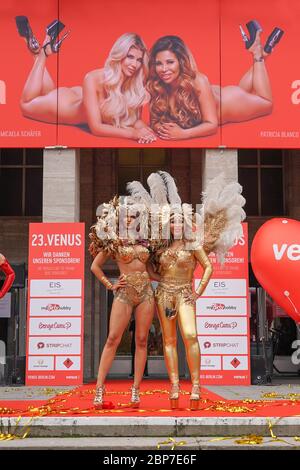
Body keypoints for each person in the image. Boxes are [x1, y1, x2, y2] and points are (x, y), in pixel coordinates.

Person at [127, 171, 246, 410]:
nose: (176, 224)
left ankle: (196, 386)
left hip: (184, 293)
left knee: (190, 336)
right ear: (168, 224)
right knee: (168, 342)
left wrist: (199, 291)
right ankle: (174, 386)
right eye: (172, 221)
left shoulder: (194, 243)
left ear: (185, 222)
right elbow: (149, 268)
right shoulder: (160, 246)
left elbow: (208, 266)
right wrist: (158, 278)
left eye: (180, 220)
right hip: (163, 294)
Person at [15, 16, 156, 144]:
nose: (134, 64)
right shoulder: (93, 78)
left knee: (47, 92)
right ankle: (43, 53)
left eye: (138, 60)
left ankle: (38, 50)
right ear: (120, 54)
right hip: (63, 105)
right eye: (130, 57)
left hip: (78, 96)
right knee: (26, 104)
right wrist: (133, 134)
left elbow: (133, 120)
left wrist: (144, 130)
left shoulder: (134, 84)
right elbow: (96, 128)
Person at [147, 22, 283, 140]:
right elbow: (154, 121)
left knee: (267, 104)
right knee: (244, 88)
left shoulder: (198, 80)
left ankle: (258, 55)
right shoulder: (156, 84)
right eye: (159, 63)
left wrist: (183, 134)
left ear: (181, 62)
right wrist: (161, 127)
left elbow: (212, 125)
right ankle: (263, 53)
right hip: (220, 95)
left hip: (231, 102)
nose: (163, 69)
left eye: (170, 62)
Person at [89, 196, 155, 409]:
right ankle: (99, 388)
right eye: (126, 216)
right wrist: (110, 284)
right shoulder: (113, 241)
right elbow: (95, 267)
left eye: (134, 216)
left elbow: (152, 271)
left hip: (146, 293)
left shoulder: (147, 241)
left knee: (142, 340)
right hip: (124, 293)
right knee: (112, 339)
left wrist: (174, 281)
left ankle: (136, 390)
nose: (130, 220)